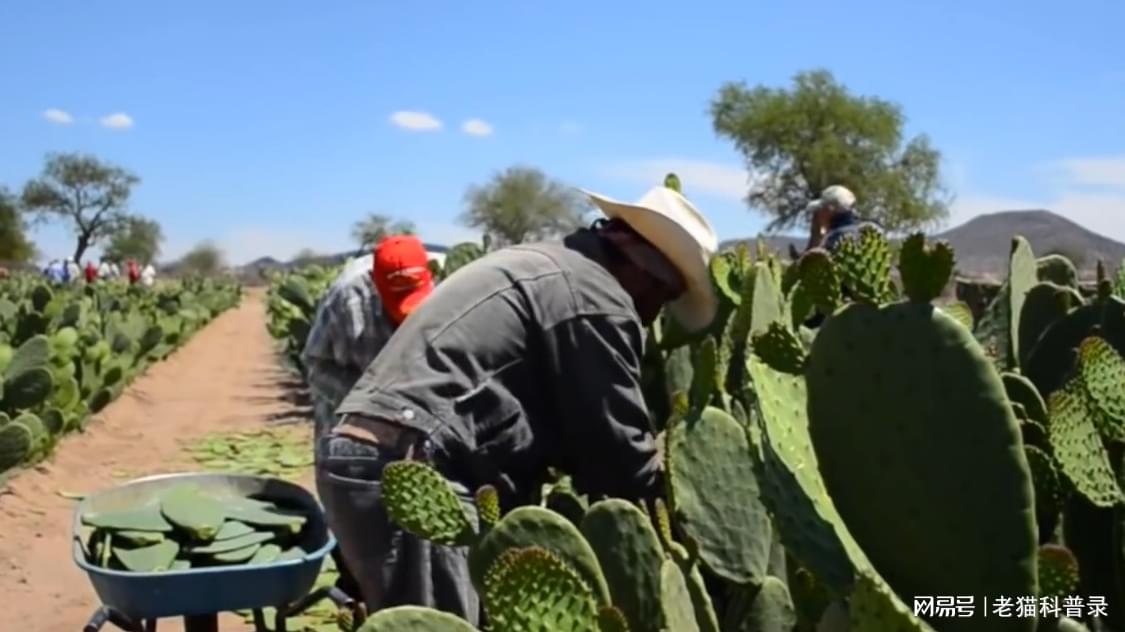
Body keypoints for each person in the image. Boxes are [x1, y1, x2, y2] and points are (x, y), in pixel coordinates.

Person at [319, 184, 718, 623]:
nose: (654, 313)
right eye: (663, 293)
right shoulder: (597, 299)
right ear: (636, 257)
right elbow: (619, 461)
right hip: (414, 467)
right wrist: (694, 511)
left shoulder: (542, 262)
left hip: (370, 457)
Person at [303, 235, 437, 602]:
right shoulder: (346, 299)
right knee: (356, 528)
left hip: (417, 428)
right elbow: (316, 364)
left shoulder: (446, 292)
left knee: (413, 532)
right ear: (376, 286)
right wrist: (370, 402)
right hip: (349, 423)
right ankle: (359, 598)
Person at [803, 185, 882, 253]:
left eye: (821, 209)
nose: (819, 215)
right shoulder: (872, 230)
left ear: (829, 211)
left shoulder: (835, 238)